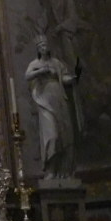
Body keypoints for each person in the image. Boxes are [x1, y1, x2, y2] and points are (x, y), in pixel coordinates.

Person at [26, 36, 79, 180]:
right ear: (38, 49)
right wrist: (40, 71)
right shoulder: (35, 63)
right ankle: (50, 169)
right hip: (44, 101)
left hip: (59, 99)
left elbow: (64, 77)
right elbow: (27, 75)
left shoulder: (56, 63)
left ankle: (63, 170)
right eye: (42, 46)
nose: (45, 47)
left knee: (64, 135)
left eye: (46, 45)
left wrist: (72, 79)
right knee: (52, 136)